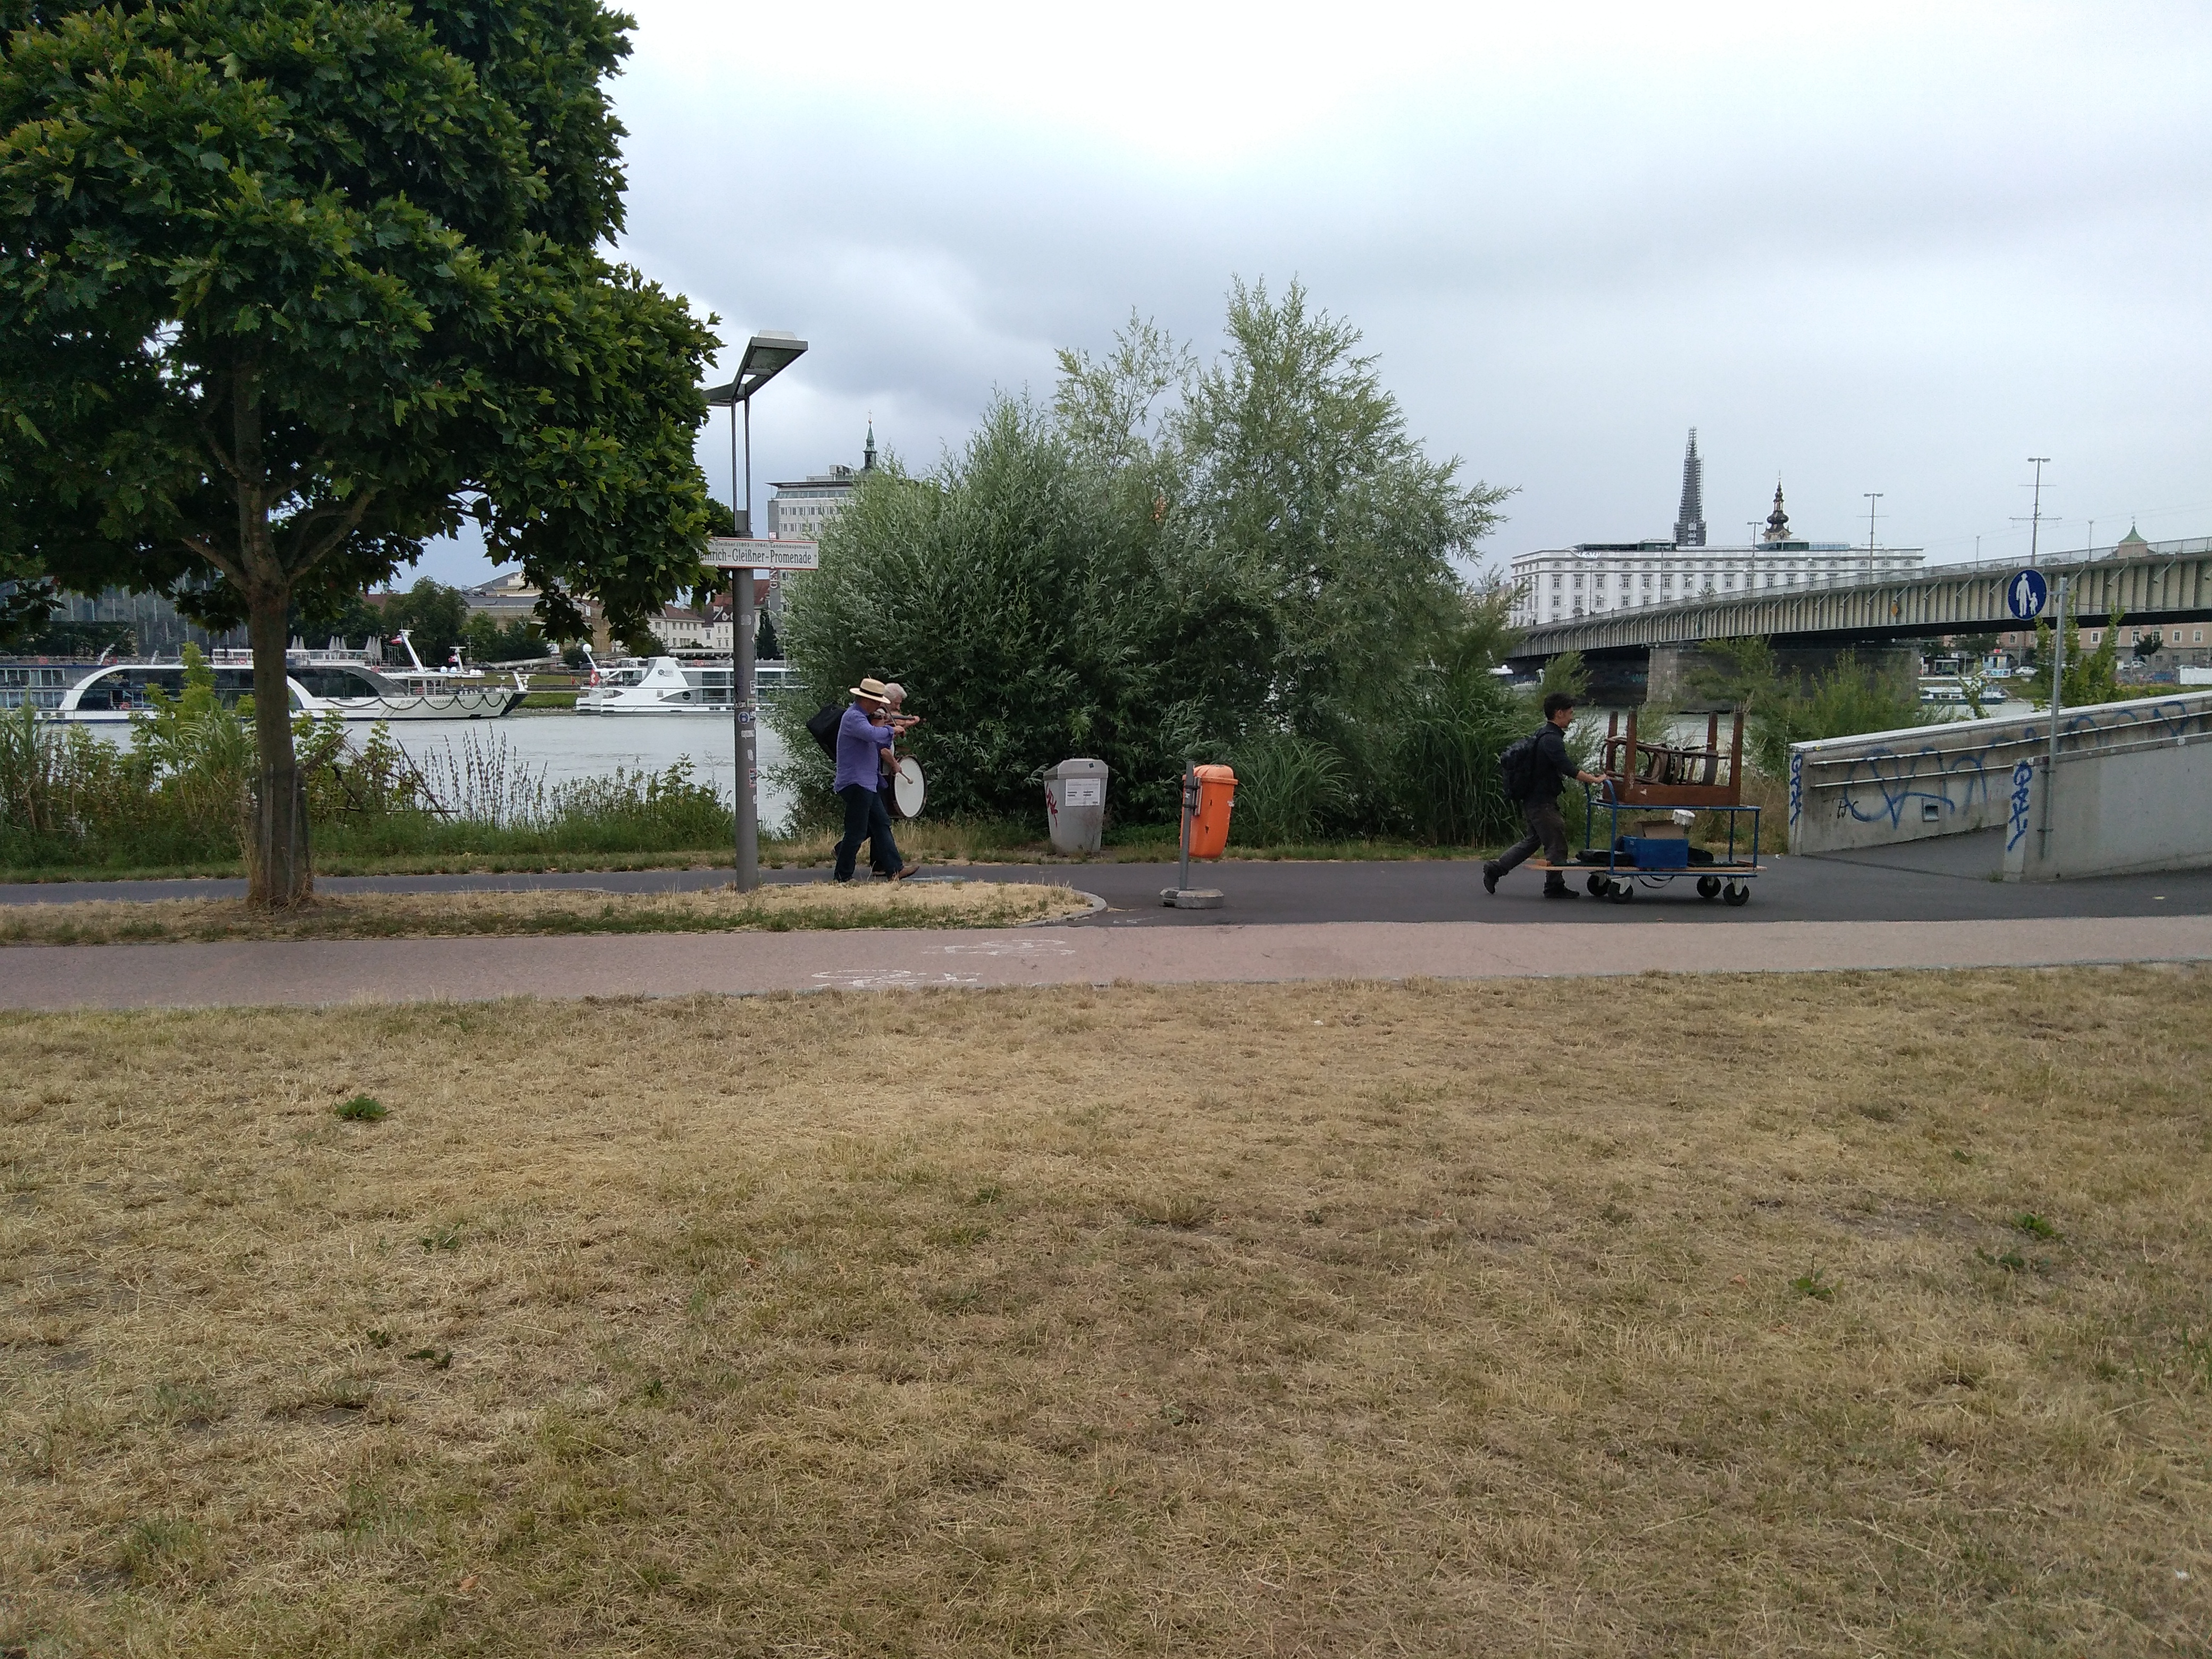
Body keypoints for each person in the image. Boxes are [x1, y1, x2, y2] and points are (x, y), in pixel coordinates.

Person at [1484, 691, 1608, 899]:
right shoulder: (1551, 739)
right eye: (1570, 713)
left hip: (1535, 799)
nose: (1572, 717)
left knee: (1533, 841)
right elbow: (1567, 767)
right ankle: (1554, 886)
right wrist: (1594, 780)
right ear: (1559, 714)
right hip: (1542, 802)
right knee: (1557, 842)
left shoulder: (1544, 734)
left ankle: (1496, 869)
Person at [833, 678, 919, 883]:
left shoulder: (865, 717)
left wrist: (893, 732)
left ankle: (895, 870)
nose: (880, 705)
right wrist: (892, 729)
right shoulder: (854, 717)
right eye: (876, 701)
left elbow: (879, 741)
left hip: (868, 783)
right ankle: (842, 876)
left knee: (881, 824)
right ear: (865, 699)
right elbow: (871, 734)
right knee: (856, 832)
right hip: (856, 783)